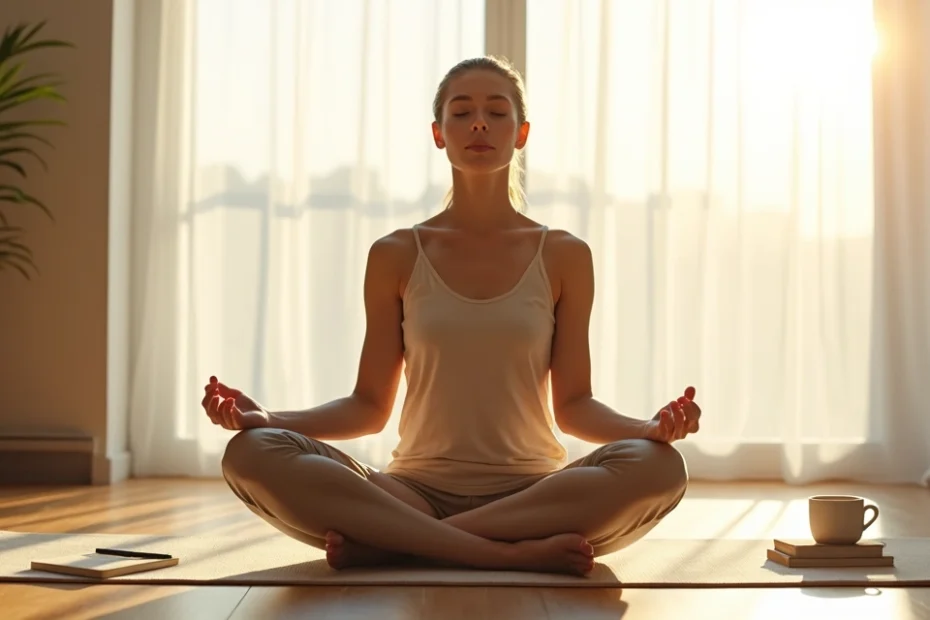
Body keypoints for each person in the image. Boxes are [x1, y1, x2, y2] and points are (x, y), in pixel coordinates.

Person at [204, 56, 700, 577]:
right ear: (439, 134)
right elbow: (368, 406)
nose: (479, 123)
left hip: (534, 494)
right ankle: (500, 552)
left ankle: (399, 545)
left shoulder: (564, 254)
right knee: (251, 453)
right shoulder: (395, 253)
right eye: (461, 113)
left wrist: (650, 428)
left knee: (660, 467)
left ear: (522, 133)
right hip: (410, 493)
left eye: (496, 111)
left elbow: (574, 406)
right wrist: (271, 421)